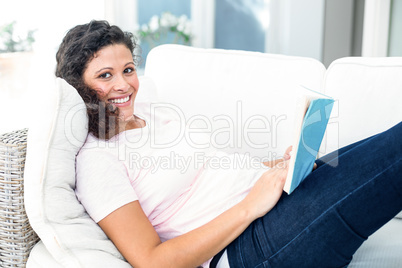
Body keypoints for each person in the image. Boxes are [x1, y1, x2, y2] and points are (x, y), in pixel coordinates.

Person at [55, 20, 402, 268]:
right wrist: (251, 206)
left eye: (128, 69)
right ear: (77, 87)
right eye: (105, 75)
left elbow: (211, 170)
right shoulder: (96, 160)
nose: (124, 85)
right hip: (251, 247)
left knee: (391, 141)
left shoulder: (151, 112)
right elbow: (152, 261)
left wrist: (276, 169)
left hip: (276, 205)